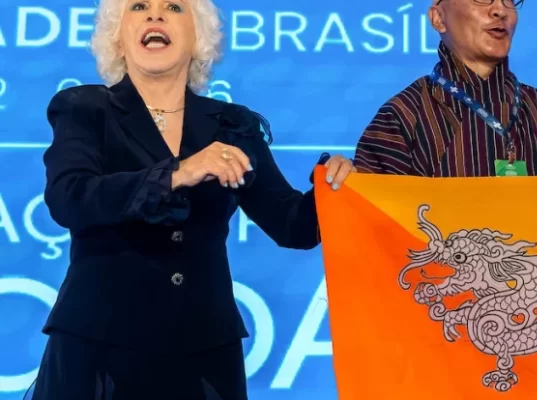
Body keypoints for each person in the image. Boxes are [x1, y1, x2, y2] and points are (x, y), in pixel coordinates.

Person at [29, 0, 353, 398]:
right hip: (99, 348)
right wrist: (178, 174)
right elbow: (70, 198)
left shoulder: (231, 124)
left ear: (198, 36)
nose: (155, 15)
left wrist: (333, 188)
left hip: (203, 354)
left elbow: (292, 225)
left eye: (174, 7)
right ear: (117, 36)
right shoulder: (85, 108)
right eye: (139, 6)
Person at [354, 0, 537, 177]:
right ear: (438, 18)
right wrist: (340, 180)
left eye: (509, 1)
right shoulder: (403, 116)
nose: (500, 11)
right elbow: (368, 215)